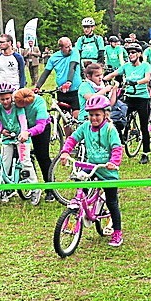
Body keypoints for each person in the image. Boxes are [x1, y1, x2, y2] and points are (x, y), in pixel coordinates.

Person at [59, 95, 124, 246]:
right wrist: (65, 151)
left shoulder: (110, 129)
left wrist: (113, 162)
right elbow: (73, 138)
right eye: (91, 115)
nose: (94, 118)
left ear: (105, 115)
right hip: (91, 166)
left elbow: (116, 148)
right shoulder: (85, 127)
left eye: (97, 115)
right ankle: (78, 203)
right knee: (80, 180)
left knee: (112, 202)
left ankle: (117, 232)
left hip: (107, 170)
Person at [103, 43, 151, 164]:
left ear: (139, 54)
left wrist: (136, 82)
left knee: (144, 126)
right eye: (129, 53)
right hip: (129, 97)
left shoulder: (145, 65)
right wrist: (102, 79)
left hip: (142, 98)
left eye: (133, 52)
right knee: (118, 117)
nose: (131, 55)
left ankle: (145, 153)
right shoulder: (126, 66)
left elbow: (147, 78)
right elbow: (114, 74)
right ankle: (122, 136)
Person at [13, 88, 55, 202]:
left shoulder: (39, 103)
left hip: (39, 128)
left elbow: (41, 126)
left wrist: (28, 132)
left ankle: (50, 188)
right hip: (20, 128)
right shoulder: (15, 98)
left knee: (42, 156)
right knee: (15, 155)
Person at [35, 37, 82, 120]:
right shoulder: (53, 58)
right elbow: (46, 73)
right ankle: (68, 133)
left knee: (76, 116)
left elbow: (72, 66)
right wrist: (38, 87)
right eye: (67, 47)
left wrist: (68, 82)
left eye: (70, 45)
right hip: (62, 92)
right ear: (61, 48)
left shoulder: (74, 52)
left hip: (75, 91)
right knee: (65, 118)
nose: (70, 48)